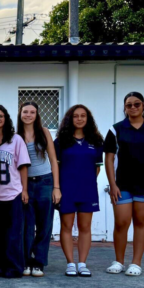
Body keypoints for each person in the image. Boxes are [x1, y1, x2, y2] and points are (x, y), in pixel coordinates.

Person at [104, 92, 144, 277]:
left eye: (137, 104)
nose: (133, 108)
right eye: (129, 105)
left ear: (143, 106)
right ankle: (118, 261)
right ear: (125, 108)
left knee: (140, 222)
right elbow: (108, 159)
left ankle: (136, 263)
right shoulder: (116, 130)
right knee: (121, 223)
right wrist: (112, 184)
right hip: (122, 184)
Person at [54, 105, 104, 277]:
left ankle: (82, 263)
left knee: (85, 227)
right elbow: (56, 167)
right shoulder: (61, 141)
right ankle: (70, 264)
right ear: (70, 119)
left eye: (83, 116)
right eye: (76, 116)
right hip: (66, 190)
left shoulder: (96, 141)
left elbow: (97, 169)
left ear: (88, 118)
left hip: (87, 190)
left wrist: (86, 181)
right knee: (66, 226)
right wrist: (57, 188)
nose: (80, 119)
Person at [0, 105, 30, 279]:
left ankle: (14, 267)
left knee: (13, 234)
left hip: (13, 193)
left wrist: (24, 190)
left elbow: (23, 166)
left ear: (6, 118)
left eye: (0, 116)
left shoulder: (16, 139)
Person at [17, 102, 61, 277]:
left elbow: (53, 160)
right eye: (25, 111)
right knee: (27, 225)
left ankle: (39, 262)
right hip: (25, 184)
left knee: (45, 225)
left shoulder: (44, 132)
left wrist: (56, 187)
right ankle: (26, 260)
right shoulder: (16, 135)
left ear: (37, 114)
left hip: (45, 182)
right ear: (20, 114)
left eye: (32, 112)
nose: (28, 115)